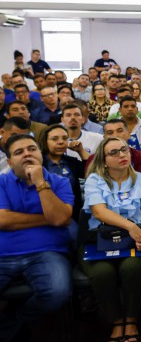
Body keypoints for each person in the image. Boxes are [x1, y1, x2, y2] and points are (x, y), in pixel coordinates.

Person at [81, 137, 141, 342]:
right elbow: (99, 212)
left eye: (124, 150)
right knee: (102, 273)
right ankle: (116, 320)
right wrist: (130, 225)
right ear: (104, 161)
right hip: (100, 238)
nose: (122, 155)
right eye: (113, 152)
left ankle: (131, 319)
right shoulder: (94, 180)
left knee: (131, 268)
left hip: (136, 238)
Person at [0, 134, 73, 342]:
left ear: (41, 154)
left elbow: (59, 218)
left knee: (58, 292)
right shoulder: (2, 183)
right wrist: (46, 219)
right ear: (9, 161)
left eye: (32, 149)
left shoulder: (59, 182)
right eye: (19, 152)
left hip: (47, 252)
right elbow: (2, 220)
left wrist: (40, 182)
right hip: (3, 253)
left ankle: (15, 321)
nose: (27, 154)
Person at [39, 124, 86, 222]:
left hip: (74, 213)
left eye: (64, 138)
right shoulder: (39, 164)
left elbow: (92, 172)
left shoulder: (71, 161)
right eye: (54, 139)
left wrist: (81, 151)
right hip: (46, 214)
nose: (61, 142)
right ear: (45, 142)